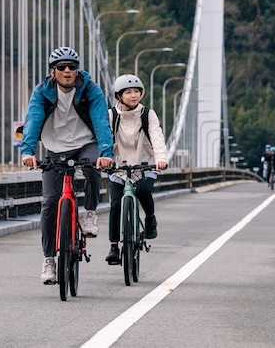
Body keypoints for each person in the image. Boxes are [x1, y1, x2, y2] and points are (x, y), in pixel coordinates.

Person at [19, 46, 114, 284]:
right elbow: (33, 120)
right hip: (55, 148)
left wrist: (106, 152)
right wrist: (28, 151)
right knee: (50, 203)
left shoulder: (90, 90)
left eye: (72, 66)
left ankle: (90, 213)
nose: (68, 71)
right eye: (61, 67)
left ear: (78, 70)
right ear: (53, 71)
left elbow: (101, 121)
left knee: (93, 166)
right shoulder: (42, 92)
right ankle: (49, 260)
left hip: (85, 143)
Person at [105, 74, 168, 265]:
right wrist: (104, 158)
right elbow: (105, 138)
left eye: (137, 91)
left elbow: (156, 136)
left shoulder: (147, 114)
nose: (133, 95)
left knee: (143, 190)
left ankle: (150, 219)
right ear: (119, 96)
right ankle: (114, 247)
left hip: (144, 163)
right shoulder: (111, 115)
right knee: (115, 205)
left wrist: (161, 159)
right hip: (119, 166)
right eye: (128, 92)